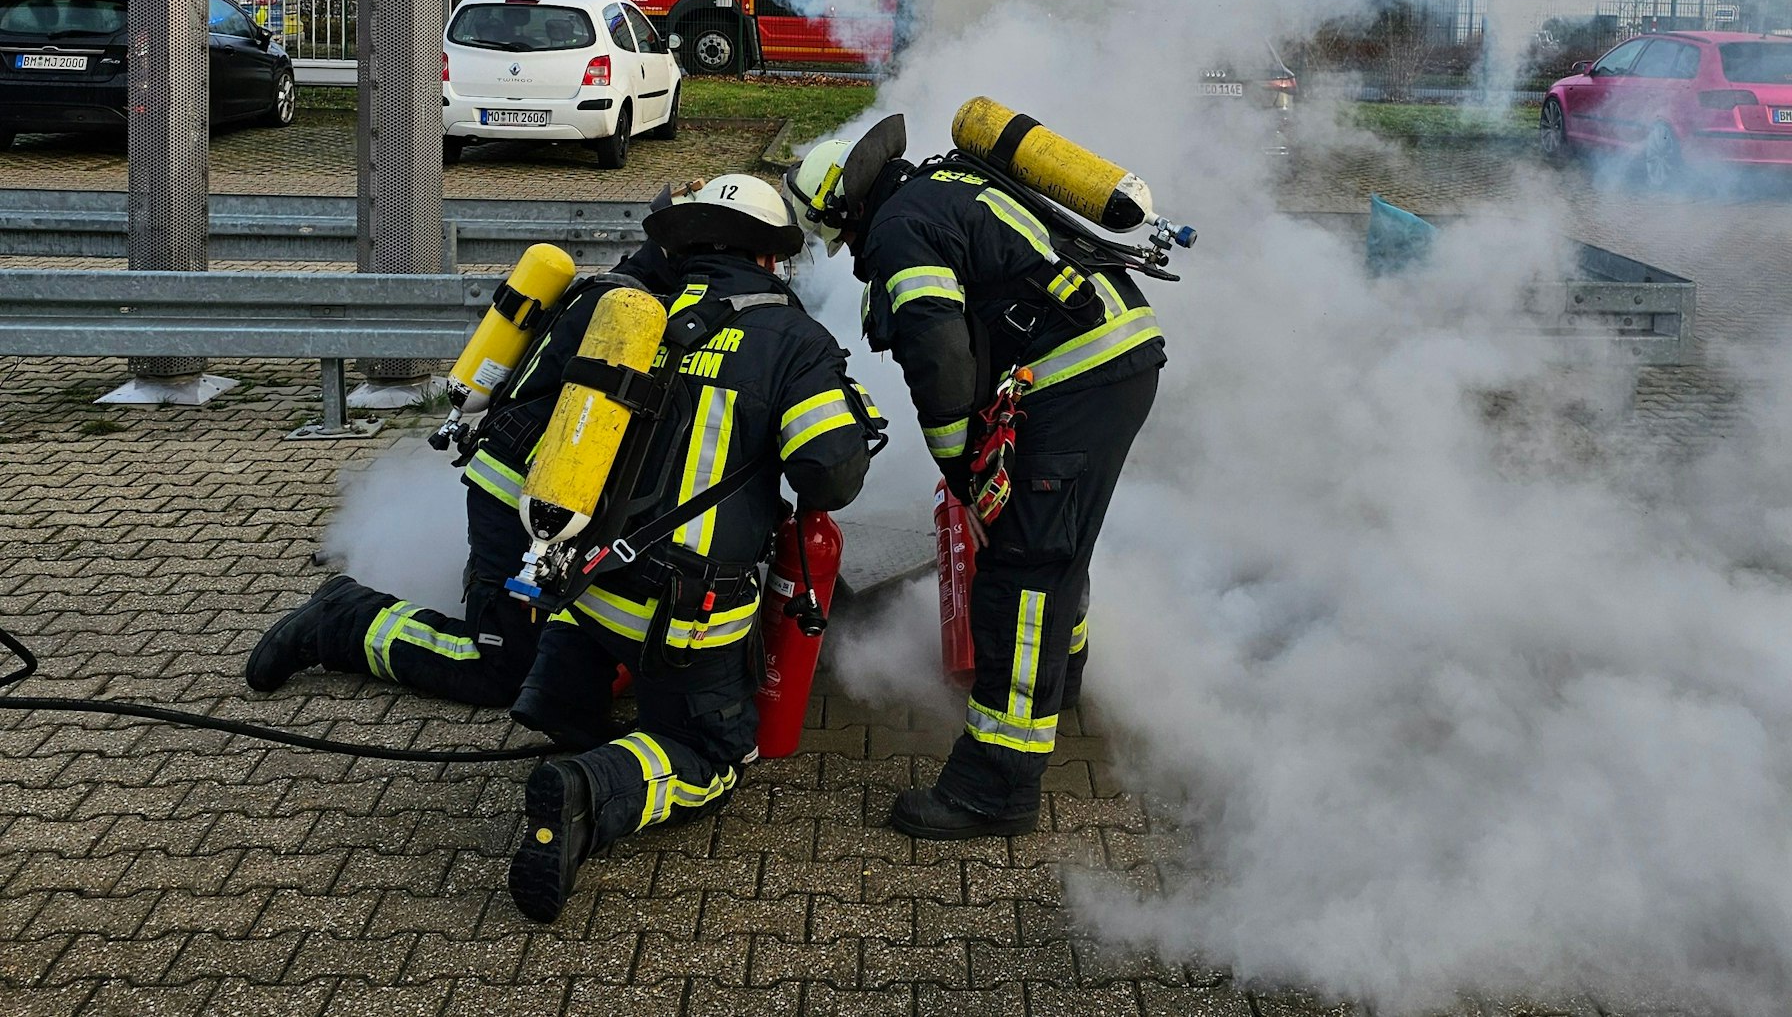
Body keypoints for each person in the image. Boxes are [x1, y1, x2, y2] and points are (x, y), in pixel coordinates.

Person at [506, 175, 881, 923]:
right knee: (712, 756)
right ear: (772, 260)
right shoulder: (791, 340)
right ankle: (589, 792)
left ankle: (558, 700)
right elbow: (827, 476)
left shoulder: (630, 315)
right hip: (683, 612)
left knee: (598, 640)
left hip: (582, 583)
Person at [782, 116, 1164, 840]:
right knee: (1051, 544)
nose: (848, 251)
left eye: (838, 237)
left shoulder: (895, 230)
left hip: (1078, 378)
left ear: (843, 210)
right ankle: (1062, 679)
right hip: (1114, 358)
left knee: (1019, 575)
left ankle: (995, 785)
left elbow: (937, 354)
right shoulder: (942, 180)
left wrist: (960, 464)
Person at [241, 179, 717, 709]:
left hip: (557, 496)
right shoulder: (624, 313)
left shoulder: (642, 296)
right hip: (517, 494)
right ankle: (343, 620)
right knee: (503, 672)